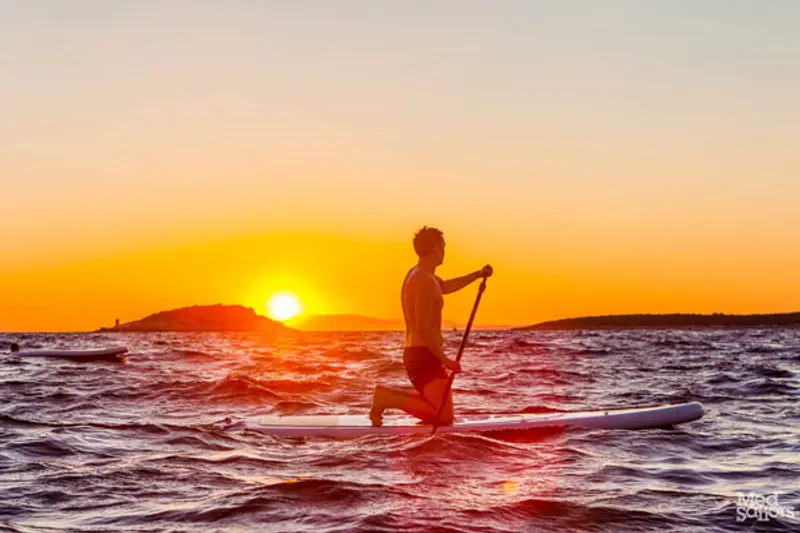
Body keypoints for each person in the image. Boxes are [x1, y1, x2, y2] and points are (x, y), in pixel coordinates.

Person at [369, 227, 492, 426]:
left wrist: (478, 274)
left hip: (423, 354)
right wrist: (445, 360)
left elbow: (447, 286)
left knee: (442, 411)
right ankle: (387, 398)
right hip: (423, 356)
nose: (445, 251)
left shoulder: (426, 277)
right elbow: (422, 327)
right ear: (435, 248)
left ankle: (387, 396)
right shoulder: (422, 280)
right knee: (443, 416)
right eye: (443, 246)